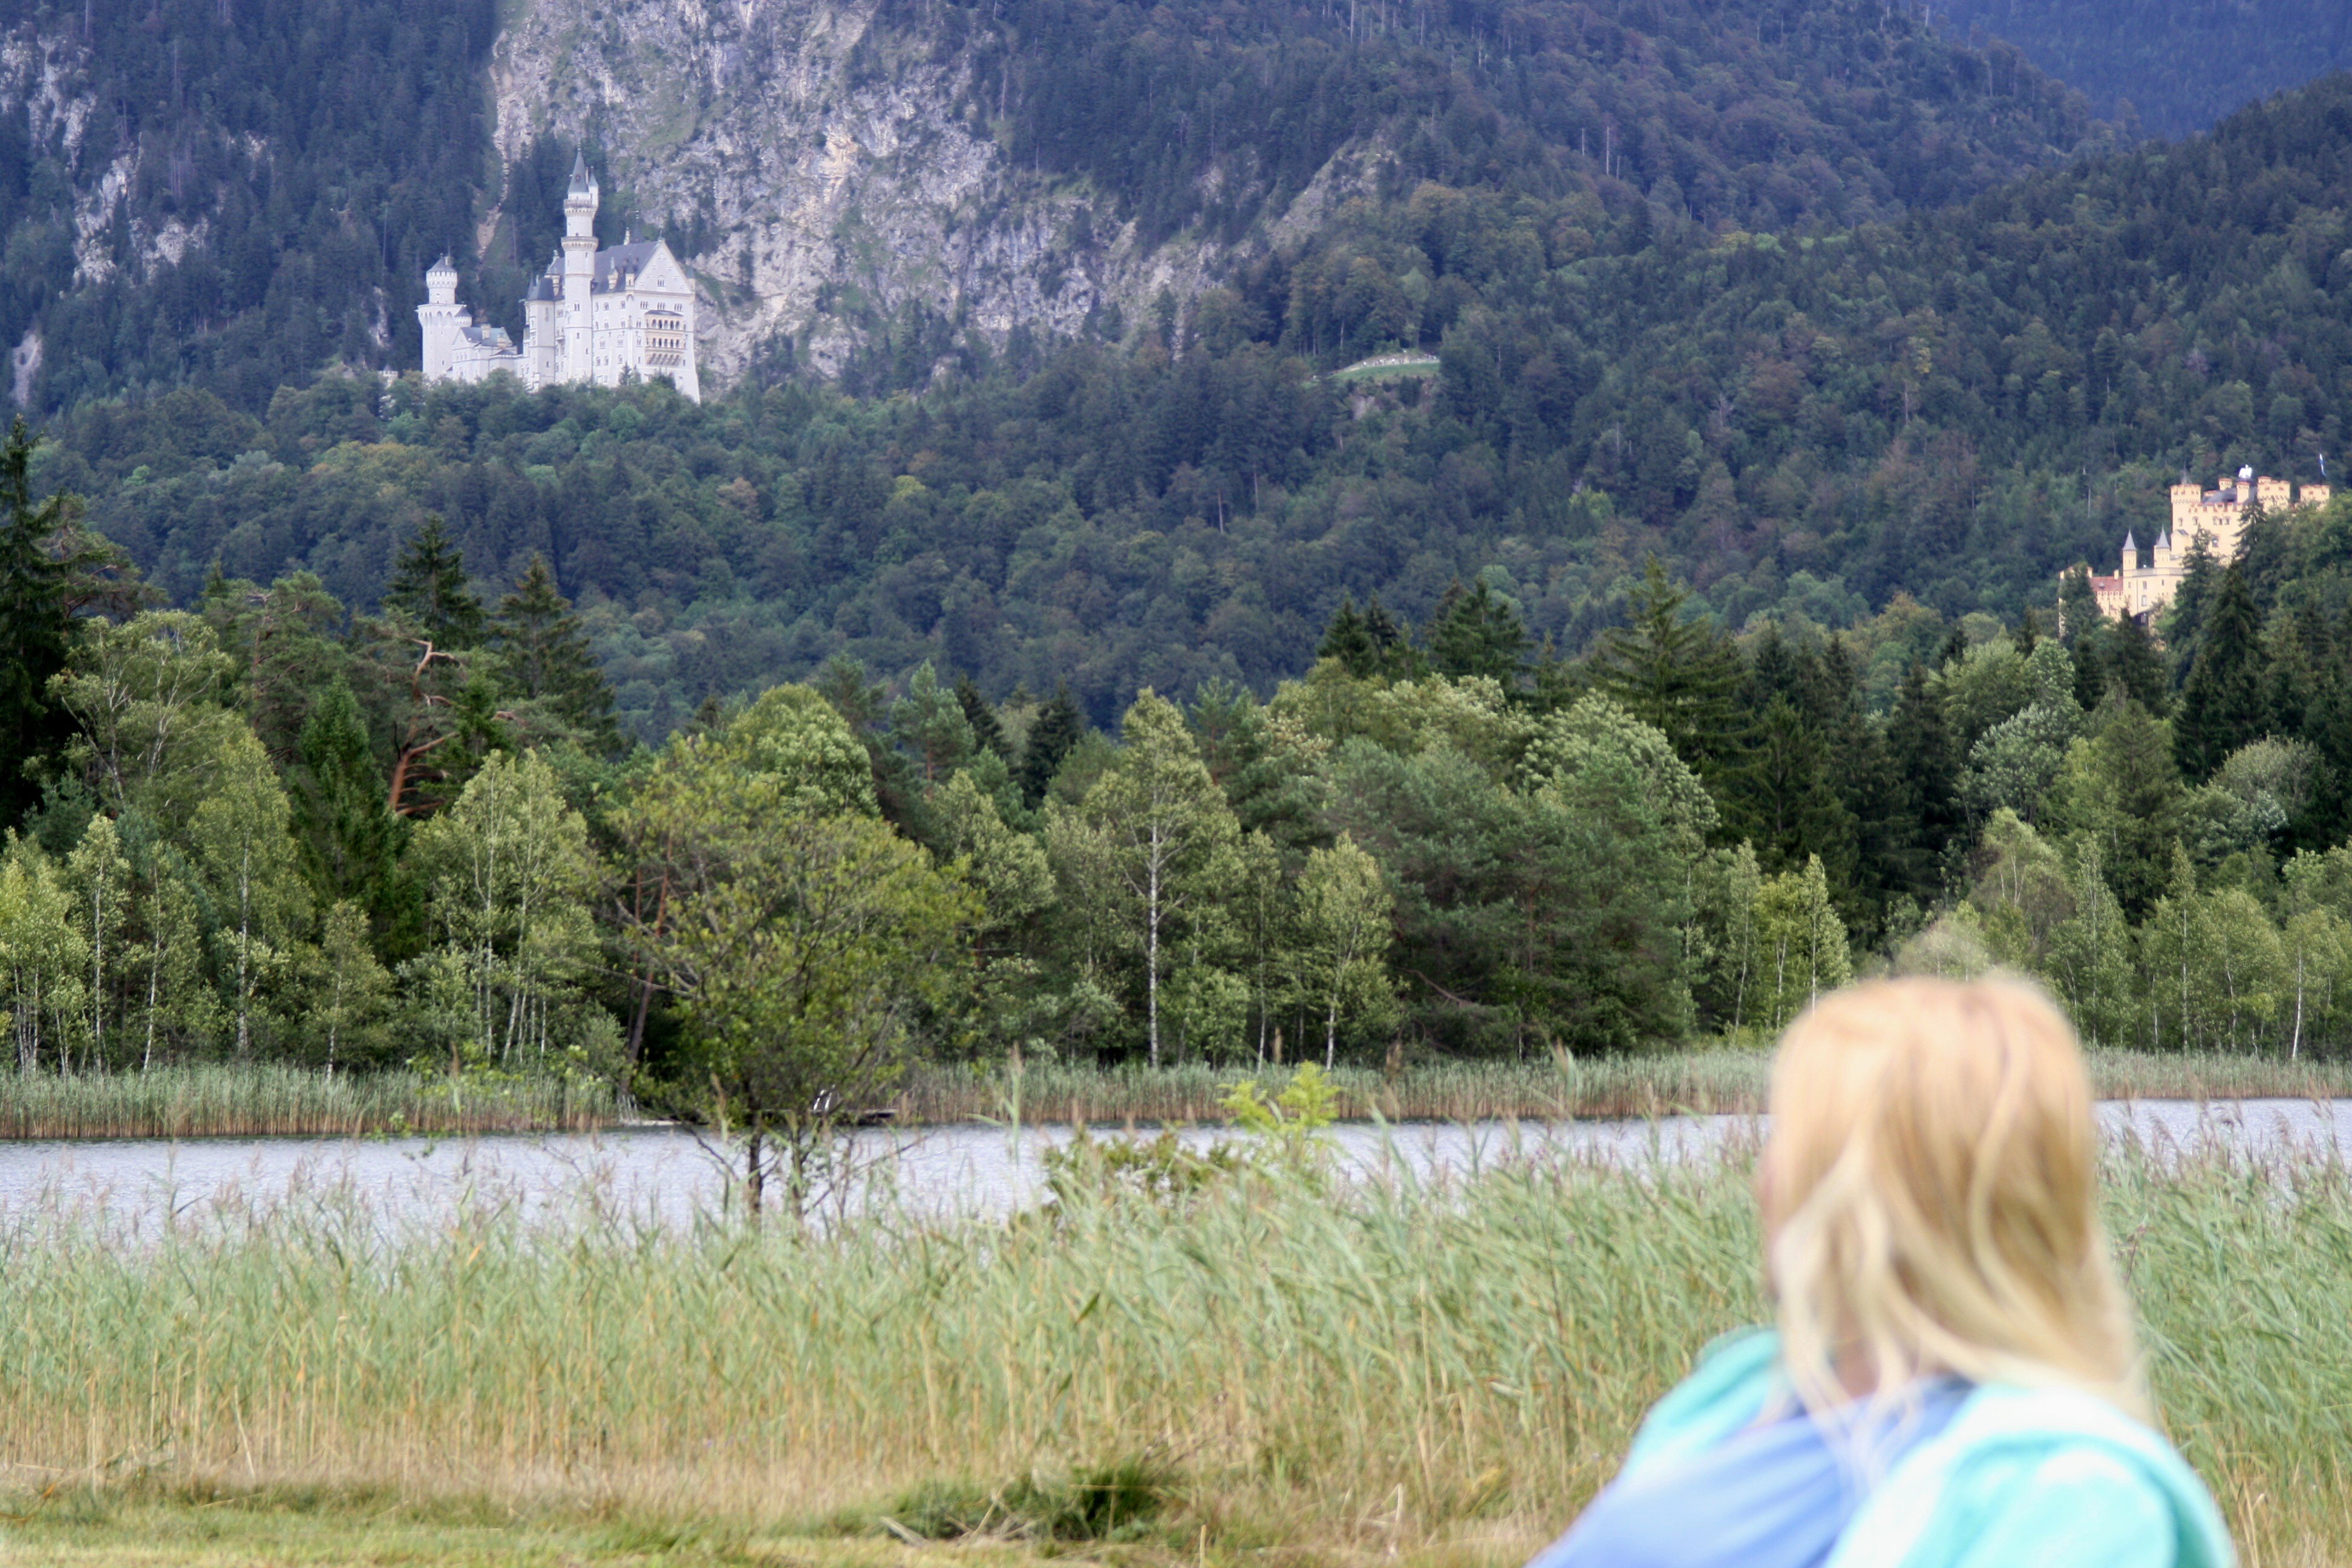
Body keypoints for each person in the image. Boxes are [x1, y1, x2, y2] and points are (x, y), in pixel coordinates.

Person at [1528, 976, 2233, 1568]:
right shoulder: (1740, 1399)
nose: (1762, 1181)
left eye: (1794, 1146)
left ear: (1885, 1197)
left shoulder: (2077, 1496)